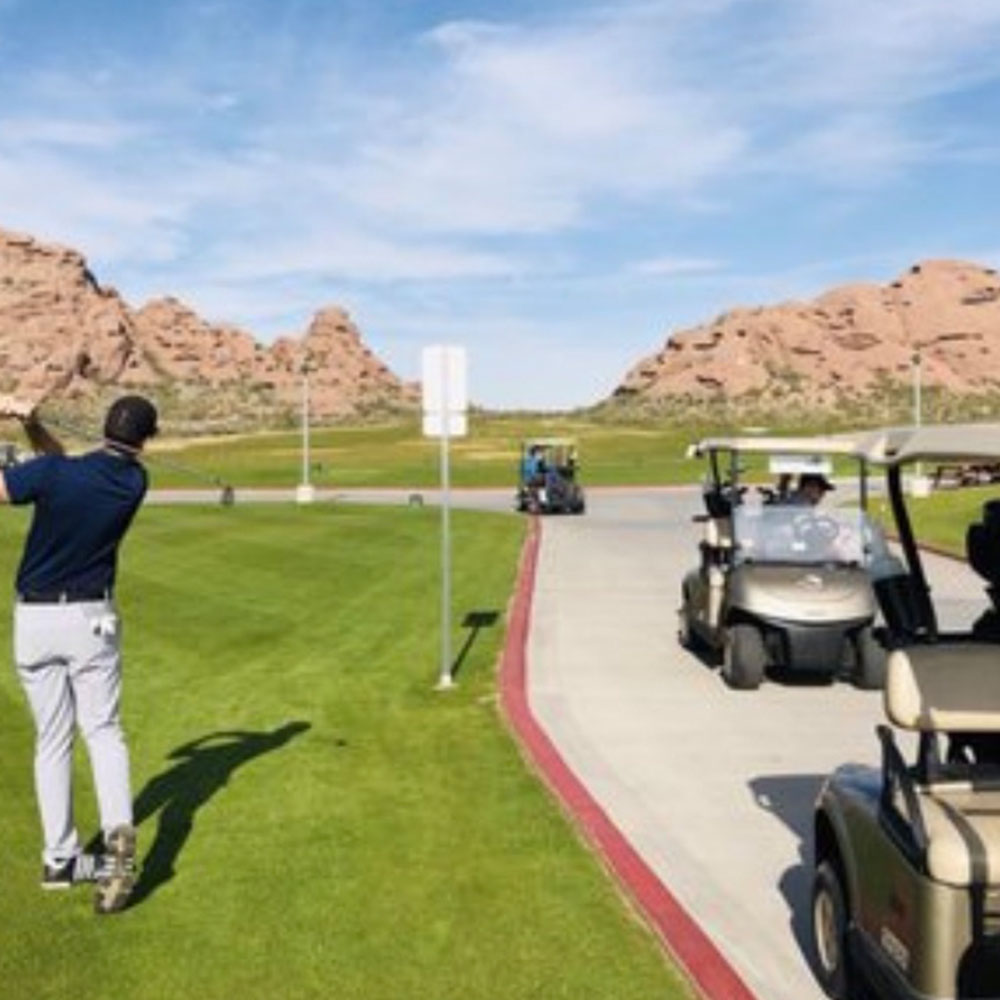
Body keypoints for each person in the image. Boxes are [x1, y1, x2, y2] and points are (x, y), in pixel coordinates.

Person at [0, 393, 158, 914]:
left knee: (52, 738)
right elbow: (58, 463)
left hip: (36, 622)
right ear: (144, 441)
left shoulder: (52, 474)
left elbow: (29, 478)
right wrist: (34, 424)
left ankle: (60, 859)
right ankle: (116, 845)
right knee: (103, 730)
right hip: (92, 621)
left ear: (103, 424)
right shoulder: (134, 483)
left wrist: (13, 418)